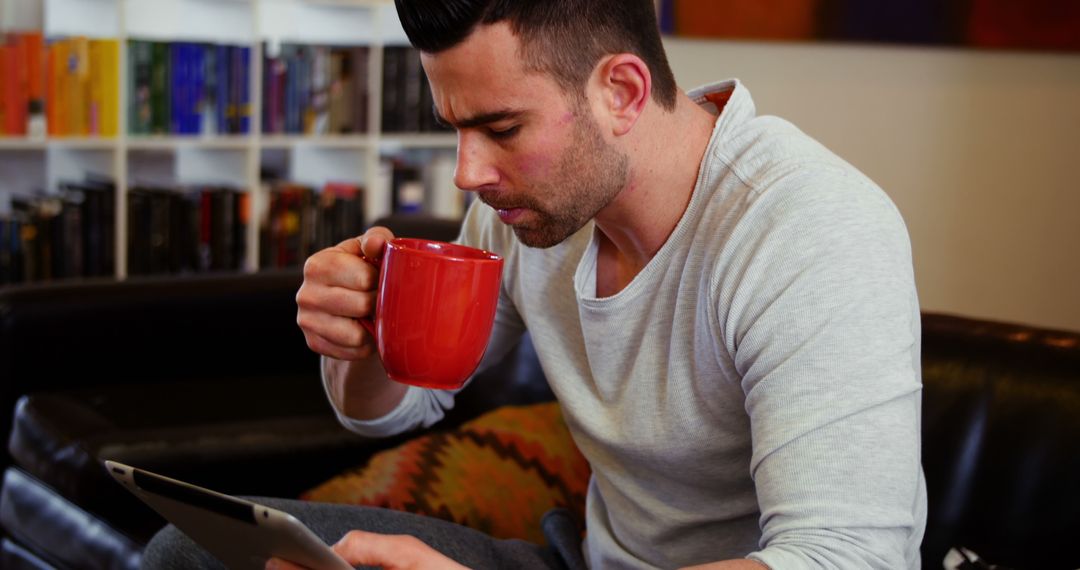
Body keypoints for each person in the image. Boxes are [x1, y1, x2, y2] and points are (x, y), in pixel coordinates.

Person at [144, 0, 927, 568]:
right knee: (195, 552)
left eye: (502, 129)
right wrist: (362, 341)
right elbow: (399, 412)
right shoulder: (531, 211)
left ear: (619, 93)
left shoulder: (809, 229)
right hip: (582, 559)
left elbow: (851, 556)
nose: (467, 172)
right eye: (457, 127)